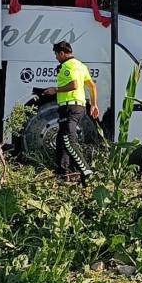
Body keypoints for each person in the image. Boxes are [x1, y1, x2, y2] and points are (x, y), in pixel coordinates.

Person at [43, 41, 97, 184]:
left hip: (70, 108)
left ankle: (86, 171)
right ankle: (63, 175)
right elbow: (92, 86)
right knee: (61, 141)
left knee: (68, 141)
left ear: (62, 53)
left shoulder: (68, 65)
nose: (56, 58)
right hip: (78, 107)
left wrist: (55, 90)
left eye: (56, 54)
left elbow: (74, 85)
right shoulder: (81, 65)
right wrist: (94, 104)